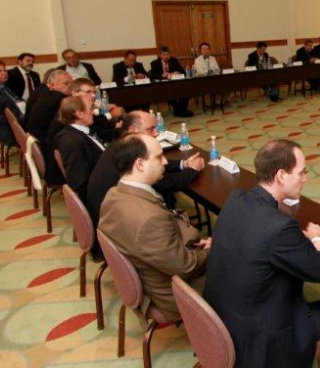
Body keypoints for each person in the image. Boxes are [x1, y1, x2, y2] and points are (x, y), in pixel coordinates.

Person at [204, 139, 320, 368]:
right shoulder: (280, 228)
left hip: (219, 320)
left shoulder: (236, 199)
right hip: (258, 340)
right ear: (281, 175)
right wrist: (318, 239)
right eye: (302, 173)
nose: (306, 179)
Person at [98, 134, 210, 322]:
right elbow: (187, 266)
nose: (165, 162)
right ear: (140, 164)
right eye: (158, 157)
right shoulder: (149, 219)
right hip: (172, 294)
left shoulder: (114, 194)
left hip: (156, 270)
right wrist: (211, 251)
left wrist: (195, 243)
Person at [87, 110, 205, 258]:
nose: (156, 133)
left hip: (113, 222)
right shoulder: (135, 157)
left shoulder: (123, 146)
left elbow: (152, 162)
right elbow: (168, 183)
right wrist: (193, 169)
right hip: (127, 231)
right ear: (132, 130)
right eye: (151, 129)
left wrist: (184, 163)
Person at [52, 96, 105, 204]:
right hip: (100, 196)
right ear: (79, 114)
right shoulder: (72, 141)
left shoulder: (77, 132)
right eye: (90, 109)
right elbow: (79, 182)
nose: (93, 112)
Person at [25, 70, 73, 144]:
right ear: (53, 85)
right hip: (45, 143)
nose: (70, 87)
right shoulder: (60, 99)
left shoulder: (47, 93)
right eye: (66, 83)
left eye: (72, 83)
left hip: (34, 139)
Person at [150, 46, 193, 117]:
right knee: (170, 93)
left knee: (186, 90)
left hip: (175, 84)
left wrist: (174, 73)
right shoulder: (155, 63)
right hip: (162, 86)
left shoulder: (174, 60)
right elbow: (153, 75)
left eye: (167, 54)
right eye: (164, 55)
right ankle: (179, 111)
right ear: (160, 55)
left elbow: (182, 71)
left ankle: (182, 110)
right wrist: (162, 75)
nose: (166, 57)